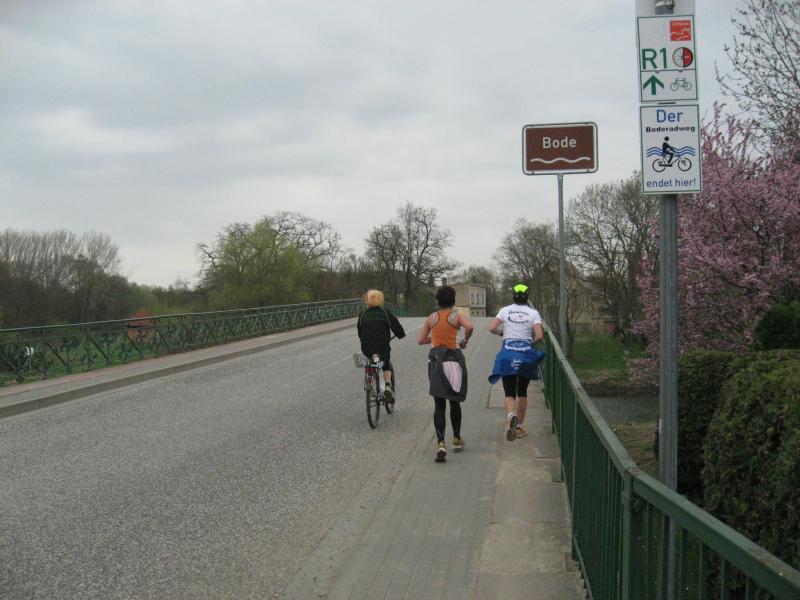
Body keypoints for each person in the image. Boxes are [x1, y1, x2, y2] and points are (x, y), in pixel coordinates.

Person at [417, 285, 474, 463]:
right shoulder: (457, 316)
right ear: (453, 300)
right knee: (454, 401)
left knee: (439, 404)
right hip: (453, 359)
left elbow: (420, 340)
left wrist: (434, 339)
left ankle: (440, 443)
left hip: (436, 361)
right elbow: (470, 326)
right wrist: (464, 340)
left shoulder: (431, 318)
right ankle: (456, 438)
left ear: (438, 301)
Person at [488, 284, 545, 441]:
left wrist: (502, 333)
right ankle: (519, 426)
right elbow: (539, 336)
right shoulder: (533, 313)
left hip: (507, 355)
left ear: (513, 296)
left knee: (509, 391)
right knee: (522, 391)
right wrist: (529, 344)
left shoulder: (505, 310)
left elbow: (491, 328)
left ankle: (511, 415)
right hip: (525, 356)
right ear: (527, 297)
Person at [357, 289, 406, 404]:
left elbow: (359, 331)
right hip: (382, 347)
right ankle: (388, 386)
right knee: (386, 364)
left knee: (371, 360)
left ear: (367, 300)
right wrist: (400, 335)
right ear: (380, 299)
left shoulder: (363, 314)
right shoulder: (385, 312)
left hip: (367, 347)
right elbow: (397, 327)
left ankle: (369, 378)